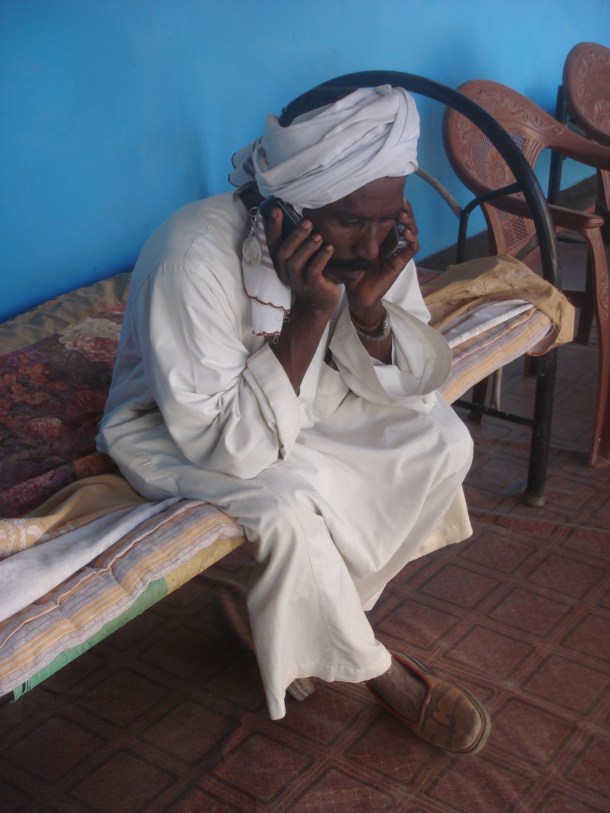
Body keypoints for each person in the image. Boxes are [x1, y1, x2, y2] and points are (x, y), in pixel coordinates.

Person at [98, 83, 490, 754]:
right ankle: (376, 668)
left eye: (387, 216)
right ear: (286, 208)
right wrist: (309, 313)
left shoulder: (372, 232)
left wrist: (368, 313)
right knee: (284, 509)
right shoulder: (192, 256)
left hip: (306, 404)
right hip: (179, 429)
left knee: (444, 442)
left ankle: (326, 611)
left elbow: (412, 386)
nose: (371, 245)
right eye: (347, 223)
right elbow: (226, 445)